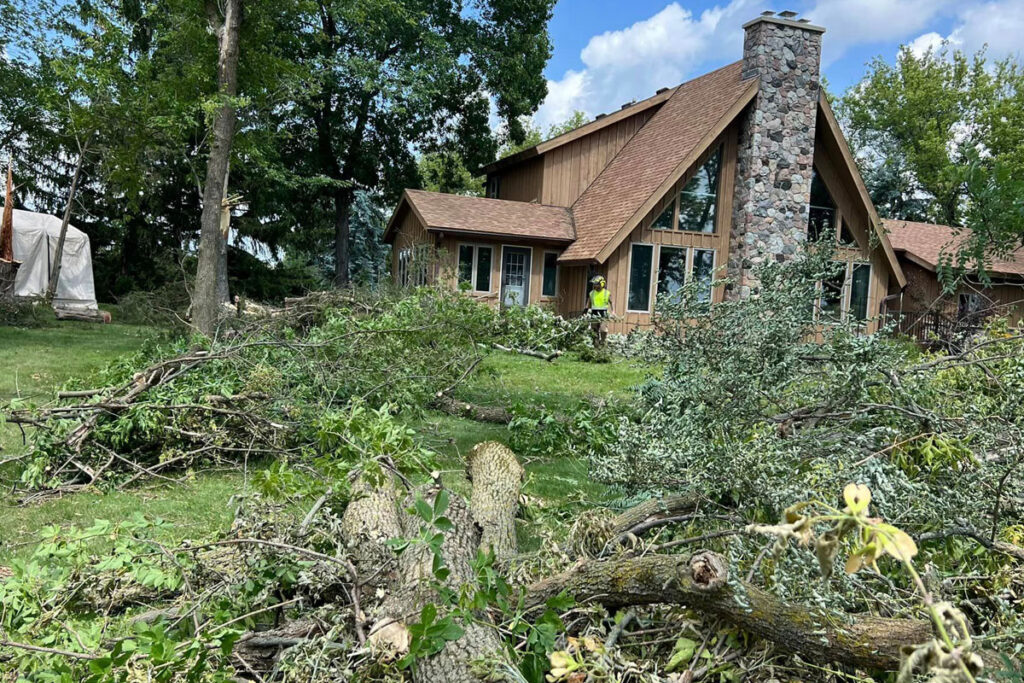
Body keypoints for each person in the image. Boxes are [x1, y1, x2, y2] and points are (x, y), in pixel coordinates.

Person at [586, 275, 613, 346]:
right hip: (594, 313)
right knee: (594, 330)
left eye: (596, 283)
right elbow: (588, 303)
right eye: (594, 284)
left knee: (603, 330)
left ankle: (603, 341)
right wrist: (586, 311)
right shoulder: (591, 293)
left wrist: (613, 311)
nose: (595, 285)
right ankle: (596, 344)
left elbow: (611, 303)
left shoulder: (607, 293)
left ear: (602, 283)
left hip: (603, 313)